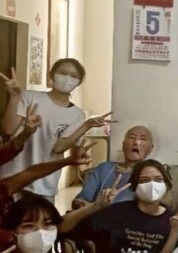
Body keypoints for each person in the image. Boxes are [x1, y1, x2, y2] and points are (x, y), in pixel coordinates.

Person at [0, 60, 111, 201]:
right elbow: (8, 129)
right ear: (51, 75)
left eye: (73, 76)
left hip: (43, 182)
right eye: (63, 73)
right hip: (12, 177)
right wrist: (15, 97)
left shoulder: (77, 114)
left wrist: (87, 125)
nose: (67, 78)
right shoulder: (29, 96)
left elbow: (59, 148)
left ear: (78, 82)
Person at [73, 125, 154, 207]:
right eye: (132, 137)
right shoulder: (103, 169)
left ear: (150, 149)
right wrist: (96, 206)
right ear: (123, 145)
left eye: (143, 139)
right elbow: (79, 201)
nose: (136, 142)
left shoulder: (152, 175)